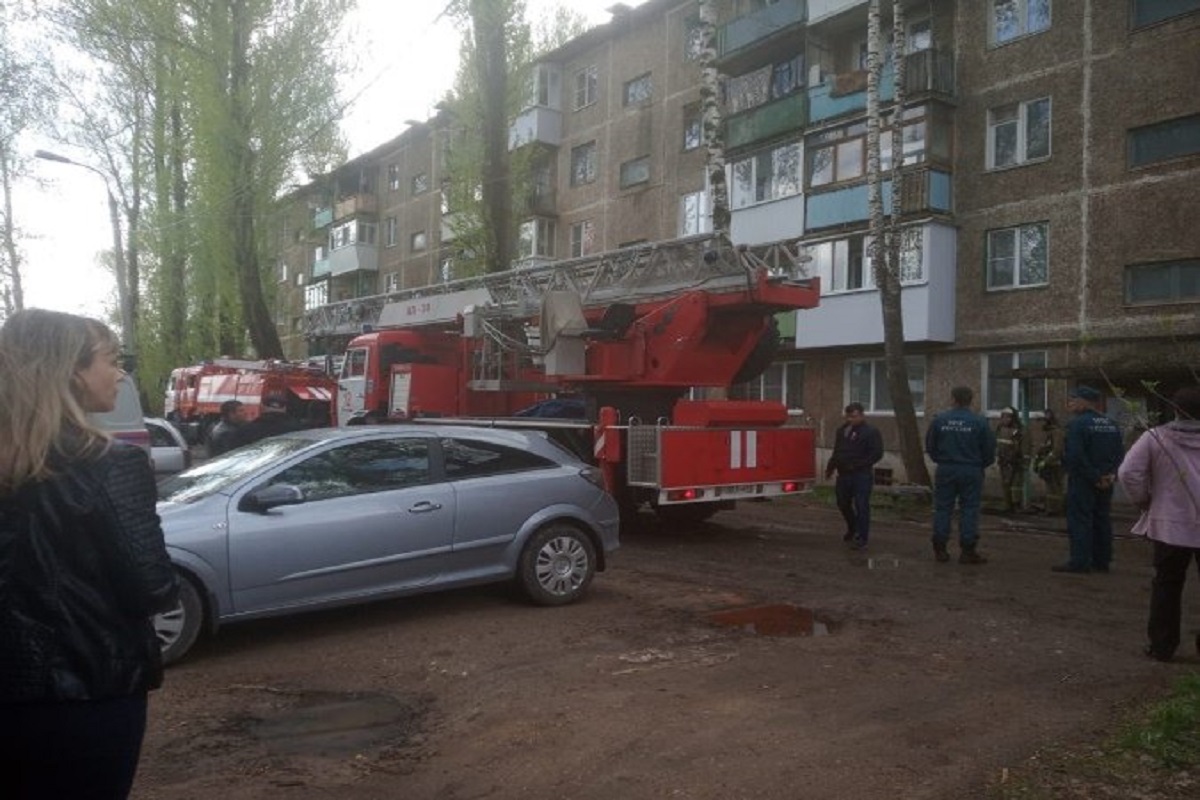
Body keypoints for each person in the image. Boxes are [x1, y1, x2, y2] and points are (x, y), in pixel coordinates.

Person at [0, 309, 179, 799]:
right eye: (111, 359)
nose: (120, 373)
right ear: (71, 371)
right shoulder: (109, 463)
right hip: (89, 687)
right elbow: (151, 588)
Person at [1118, 387, 1200, 661]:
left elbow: (1129, 472)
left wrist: (1144, 501)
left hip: (1169, 525)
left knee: (1167, 584)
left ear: (1174, 409)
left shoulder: (1156, 437)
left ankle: (1162, 647)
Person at [1054, 385, 1125, 574]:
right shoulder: (1111, 424)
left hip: (1083, 480)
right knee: (1102, 519)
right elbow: (1120, 453)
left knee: (1080, 520)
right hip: (1106, 481)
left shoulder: (1077, 424)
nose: (1069, 403)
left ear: (1086, 402)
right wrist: (1109, 475)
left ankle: (1080, 561)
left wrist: (1093, 477)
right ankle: (1102, 561)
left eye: (1073, 399)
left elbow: (1075, 456)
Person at [925, 386, 996, 564]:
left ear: (953, 399)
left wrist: (941, 459)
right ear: (971, 400)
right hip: (971, 469)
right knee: (970, 509)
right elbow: (989, 450)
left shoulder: (940, 420)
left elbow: (931, 446)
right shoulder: (979, 422)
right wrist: (979, 464)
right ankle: (968, 550)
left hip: (946, 468)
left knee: (943, 508)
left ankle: (940, 548)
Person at [824, 402, 884, 550]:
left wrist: (860, 464)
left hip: (861, 475)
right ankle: (853, 526)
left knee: (861, 505)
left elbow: (876, 454)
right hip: (844, 474)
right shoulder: (842, 430)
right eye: (848, 416)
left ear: (861, 415)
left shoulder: (870, 432)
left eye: (854, 416)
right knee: (842, 503)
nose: (851, 419)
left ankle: (862, 537)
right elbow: (837, 451)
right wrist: (830, 467)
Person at [994, 406, 1026, 513]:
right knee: (1005, 483)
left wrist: (1018, 459)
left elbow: (1020, 446)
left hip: (1015, 461)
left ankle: (1016, 505)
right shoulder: (999, 429)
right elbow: (998, 444)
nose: (1006, 419)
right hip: (1003, 461)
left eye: (1008, 417)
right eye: (1004, 417)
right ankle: (1007, 505)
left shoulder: (1017, 430)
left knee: (1015, 485)